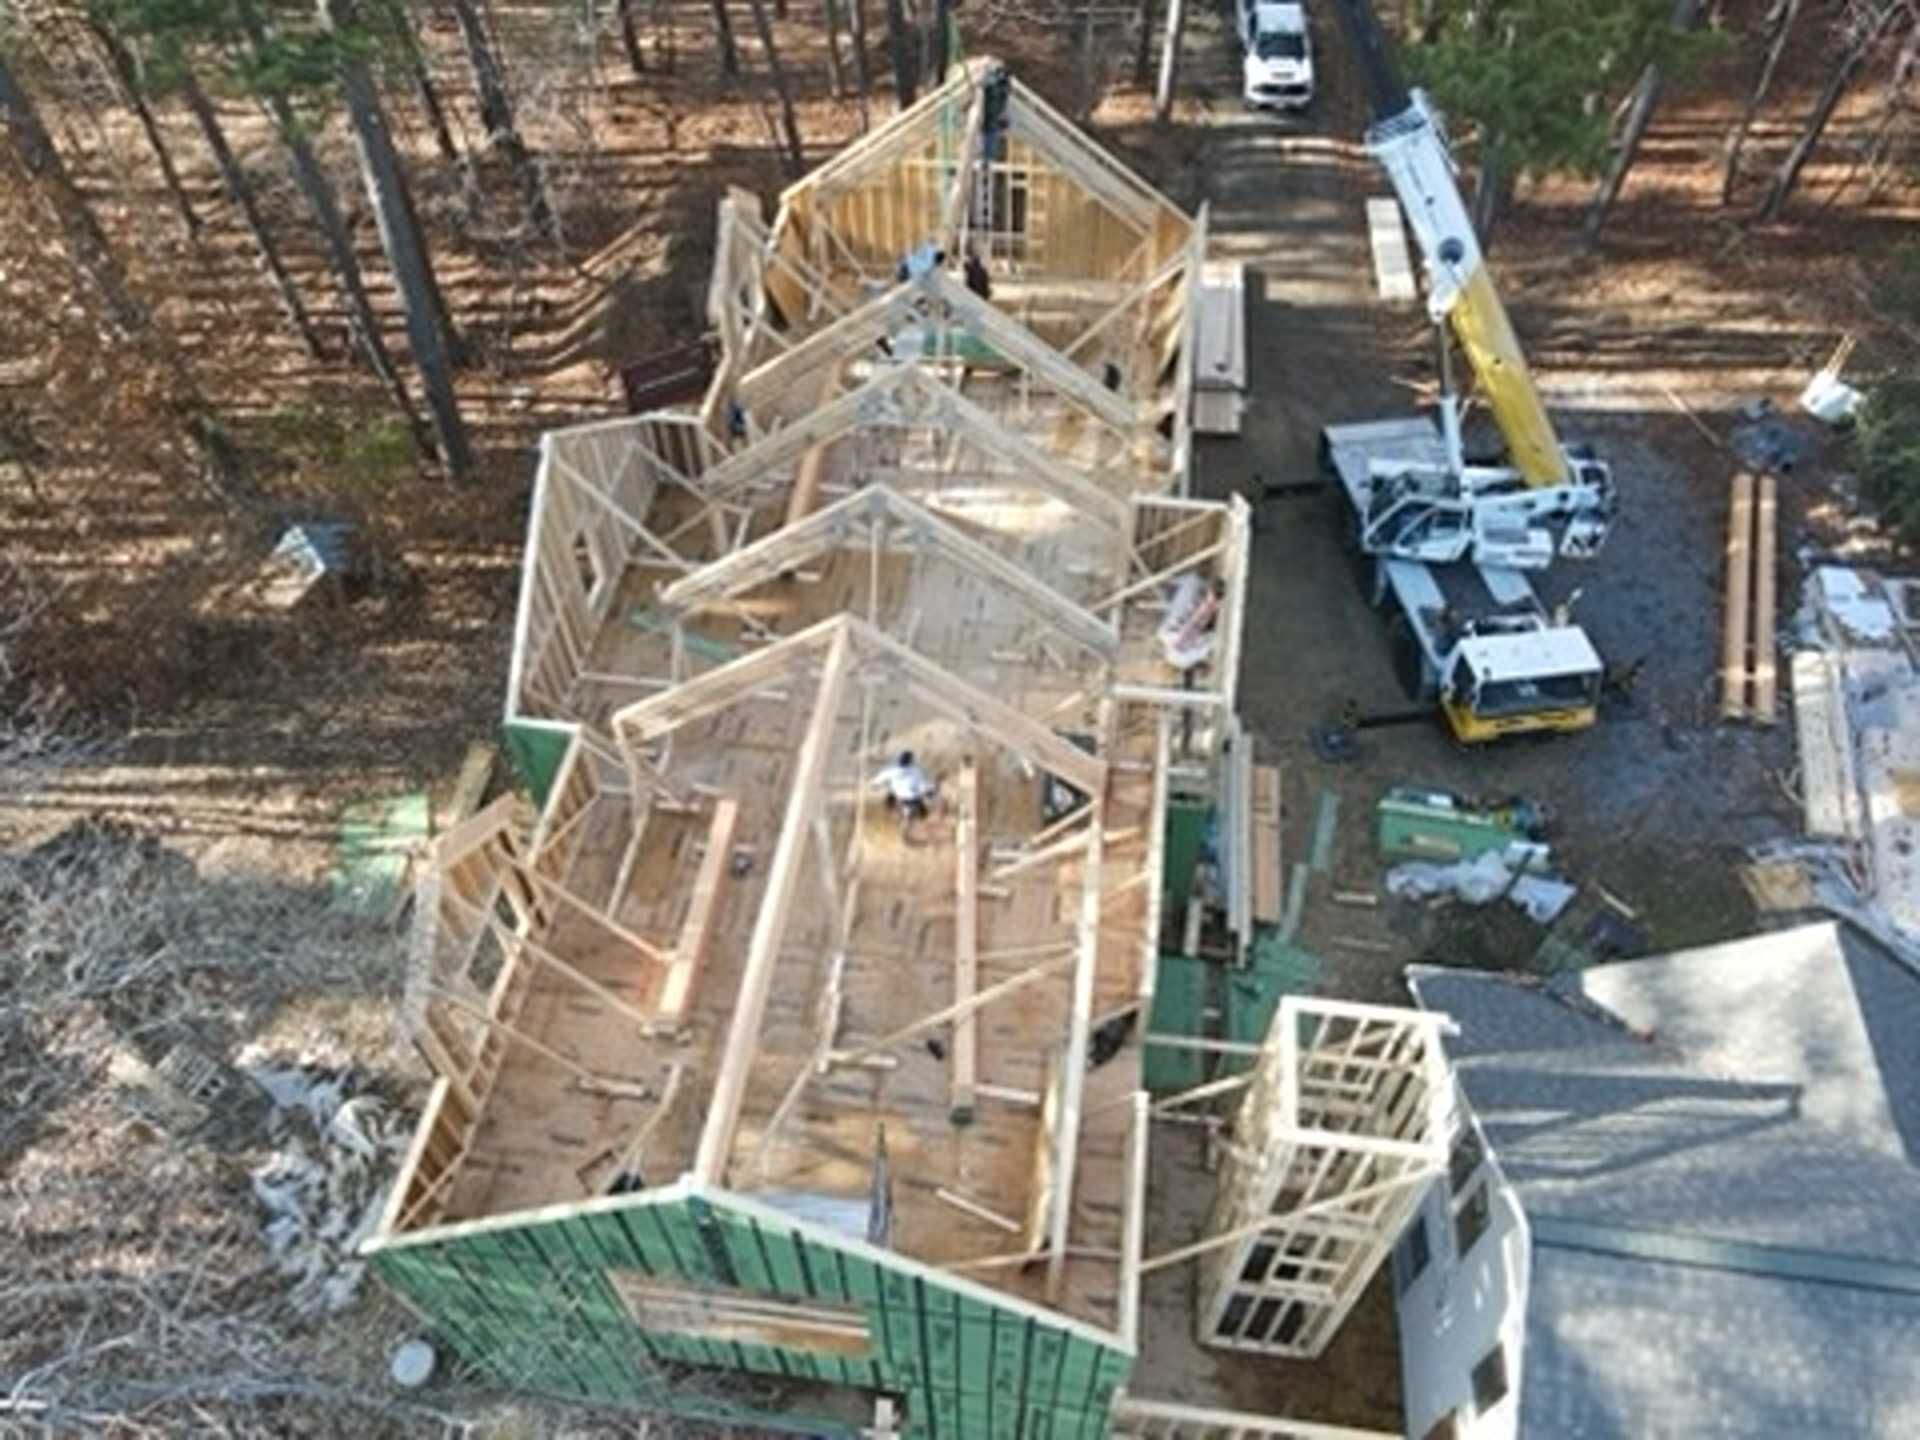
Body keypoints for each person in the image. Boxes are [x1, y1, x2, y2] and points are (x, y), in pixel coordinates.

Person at [871, 750, 936, 837]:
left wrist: (875, 785)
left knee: (888, 802)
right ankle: (916, 825)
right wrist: (929, 791)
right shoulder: (916, 771)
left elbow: (878, 780)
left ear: (899, 760)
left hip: (898, 796)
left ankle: (891, 816)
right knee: (924, 814)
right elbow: (922, 785)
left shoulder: (892, 771)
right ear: (911, 761)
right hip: (912, 798)